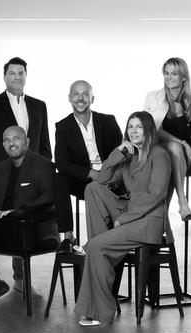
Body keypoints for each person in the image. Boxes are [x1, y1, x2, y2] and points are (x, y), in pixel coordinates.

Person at [74, 111, 173, 326]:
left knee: (97, 247)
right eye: (130, 127)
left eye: (138, 127)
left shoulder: (159, 154)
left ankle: (100, 311)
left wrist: (125, 219)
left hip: (149, 220)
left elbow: (156, 195)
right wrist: (118, 153)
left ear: (148, 130)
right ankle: (99, 244)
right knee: (92, 188)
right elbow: (102, 179)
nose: (134, 131)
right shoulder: (129, 158)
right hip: (130, 214)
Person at [0, 126, 56, 294]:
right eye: (7, 140)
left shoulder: (43, 165)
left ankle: (12, 282)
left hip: (28, 225)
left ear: (27, 142)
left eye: (16, 138)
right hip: (0, 223)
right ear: (3, 144)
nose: (11, 143)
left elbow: (49, 196)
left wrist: (17, 212)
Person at [54, 80, 122, 253]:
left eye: (85, 94)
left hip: (111, 178)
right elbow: (61, 162)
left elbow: (121, 153)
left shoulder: (108, 121)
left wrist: (108, 174)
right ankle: (68, 236)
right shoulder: (62, 126)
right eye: (76, 94)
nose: (81, 98)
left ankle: (108, 237)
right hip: (83, 180)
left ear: (93, 98)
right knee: (58, 178)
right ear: (69, 98)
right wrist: (90, 173)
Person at [144, 57, 191, 221]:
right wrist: (182, 143)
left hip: (190, 158)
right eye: (166, 73)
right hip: (163, 154)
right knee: (174, 149)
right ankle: (182, 202)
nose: (168, 77)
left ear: (184, 77)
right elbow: (153, 129)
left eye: (174, 73)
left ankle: (161, 222)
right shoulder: (154, 97)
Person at [0, 57, 52, 183]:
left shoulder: (39, 106)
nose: (17, 77)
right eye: (12, 73)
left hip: (33, 178)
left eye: (21, 73)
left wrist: (44, 173)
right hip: (3, 178)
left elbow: (44, 146)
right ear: (4, 77)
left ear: (26, 76)